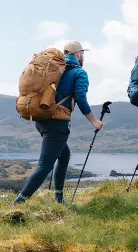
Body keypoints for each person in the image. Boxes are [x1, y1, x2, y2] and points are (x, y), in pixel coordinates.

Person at [13, 40, 103, 204]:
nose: (83, 56)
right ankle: (18, 202)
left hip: (41, 120)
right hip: (57, 123)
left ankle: (59, 198)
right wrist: (94, 121)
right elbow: (81, 98)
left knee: (64, 155)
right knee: (45, 166)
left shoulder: (55, 69)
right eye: (82, 53)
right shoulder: (79, 73)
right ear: (78, 54)